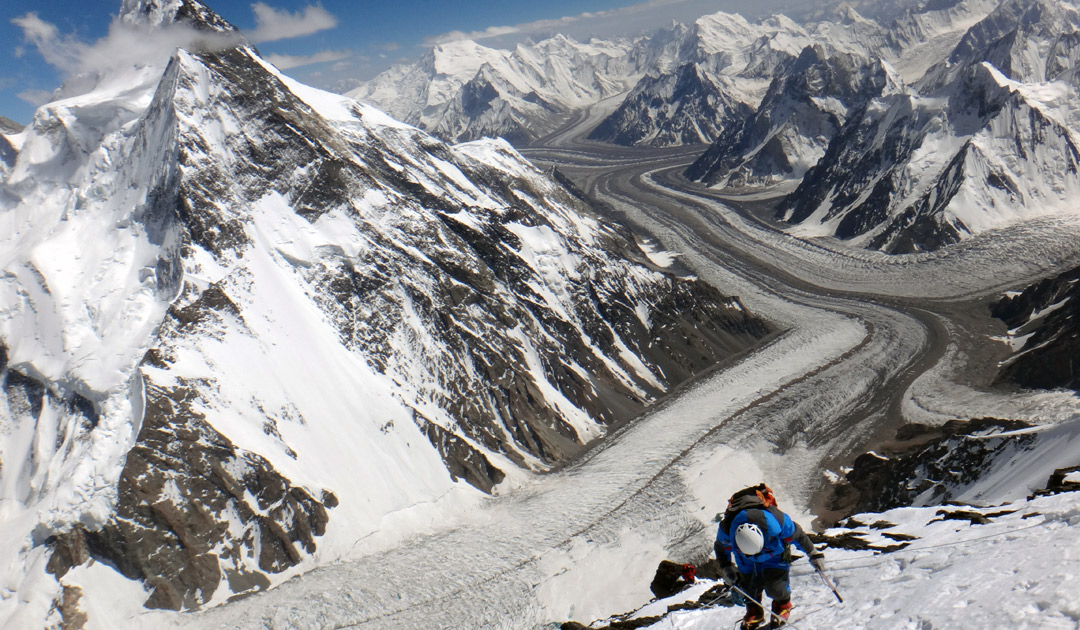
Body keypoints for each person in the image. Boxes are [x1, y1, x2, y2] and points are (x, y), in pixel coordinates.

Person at [714, 485, 824, 630]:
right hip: (748, 560)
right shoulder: (727, 528)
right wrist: (727, 567)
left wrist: (813, 553)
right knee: (748, 587)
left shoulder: (776, 520)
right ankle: (754, 610)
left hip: (774, 555)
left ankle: (783, 604)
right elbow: (720, 547)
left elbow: (797, 535)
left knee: (776, 588)